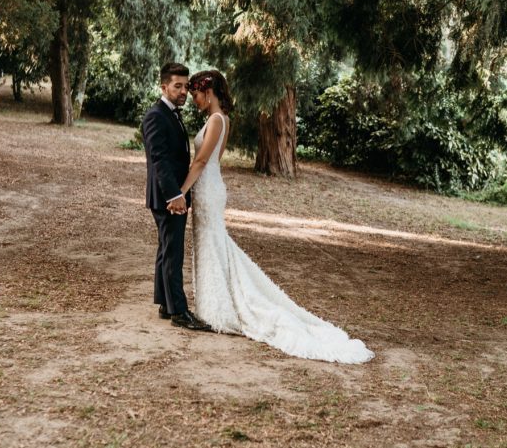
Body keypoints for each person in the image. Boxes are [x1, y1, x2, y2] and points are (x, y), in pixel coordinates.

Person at [180, 70, 374, 363]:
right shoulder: (219, 121)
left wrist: (180, 191)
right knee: (212, 245)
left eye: (195, 94)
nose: (193, 100)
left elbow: (203, 160)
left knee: (212, 244)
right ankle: (212, 305)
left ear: (208, 92)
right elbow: (213, 163)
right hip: (210, 187)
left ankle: (221, 308)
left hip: (208, 191)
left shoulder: (217, 120)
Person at [141, 63, 211, 331]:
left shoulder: (171, 114)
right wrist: (175, 195)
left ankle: (165, 303)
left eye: (185, 86)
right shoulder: (156, 116)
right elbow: (158, 160)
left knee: (166, 249)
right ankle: (179, 312)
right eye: (177, 86)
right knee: (173, 253)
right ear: (164, 87)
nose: (183, 91)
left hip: (169, 196)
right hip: (168, 198)